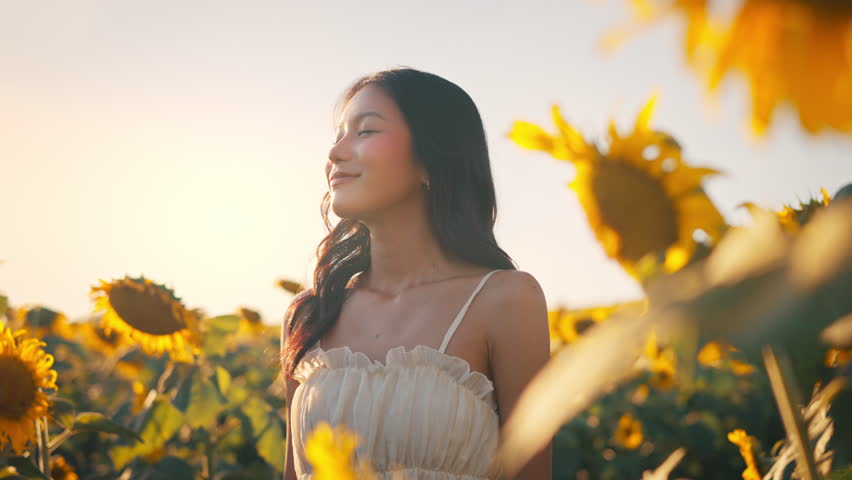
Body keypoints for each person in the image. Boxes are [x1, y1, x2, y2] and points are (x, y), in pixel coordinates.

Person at [280, 66, 552, 480]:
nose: (335, 153)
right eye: (337, 135)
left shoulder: (506, 300)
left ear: (431, 159)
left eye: (366, 131)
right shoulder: (309, 314)